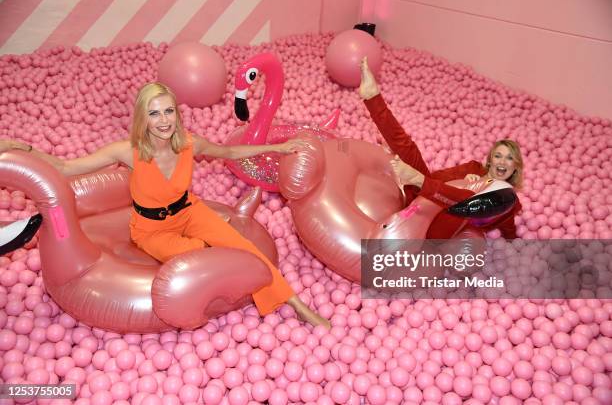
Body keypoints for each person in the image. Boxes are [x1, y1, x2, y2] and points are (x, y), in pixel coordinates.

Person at [0, 82, 330, 328]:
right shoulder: (127, 151)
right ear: (143, 118)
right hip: (151, 230)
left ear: (177, 114)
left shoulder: (189, 143)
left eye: (169, 111)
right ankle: (220, 262)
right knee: (199, 257)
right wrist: (23, 149)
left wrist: (283, 146)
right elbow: (66, 168)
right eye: (154, 113)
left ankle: (296, 304)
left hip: (190, 212)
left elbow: (229, 153)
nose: (163, 120)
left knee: (243, 246)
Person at [359, 57, 523, 239]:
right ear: (490, 160)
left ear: (515, 166)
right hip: (422, 200)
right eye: (498, 155)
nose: (502, 161)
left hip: (435, 230)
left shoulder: (507, 200)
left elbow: (509, 229)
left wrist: (516, 243)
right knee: (408, 149)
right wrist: (464, 180)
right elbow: (437, 179)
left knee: (467, 199)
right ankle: (372, 97)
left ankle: (418, 179)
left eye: (509, 158)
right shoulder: (472, 169)